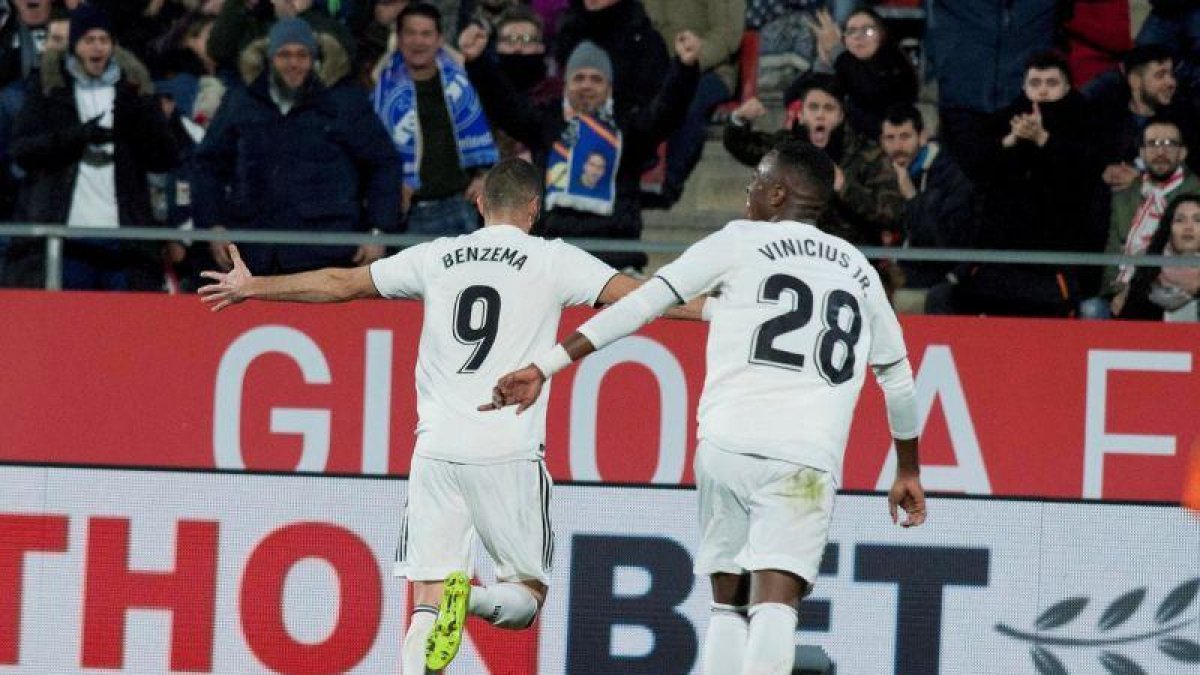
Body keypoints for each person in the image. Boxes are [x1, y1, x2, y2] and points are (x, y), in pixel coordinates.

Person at [197, 158, 661, 675]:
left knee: (426, 601)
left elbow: (342, 282)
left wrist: (255, 286)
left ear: (479, 204)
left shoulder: (438, 256)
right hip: (507, 447)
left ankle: (440, 621)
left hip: (436, 448)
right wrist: (713, 309)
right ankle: (476, 599)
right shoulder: (553, 259)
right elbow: (644, 298)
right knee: (526, 597)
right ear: (534, 208)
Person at [485, 138, 927, 675]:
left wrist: (548, 365)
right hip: (806, 459)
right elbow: (898, 380)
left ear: (779, 193)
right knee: (776, 605)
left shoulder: (739, 241)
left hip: (726, 447)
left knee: (727, 605)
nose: (749, 190)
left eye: (757, 180)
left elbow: (642, 304)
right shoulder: (858, 269)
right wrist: (907, 468)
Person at [461, 24, 700, 272]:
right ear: (566, 84)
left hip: (616, 258)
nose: (587, 85)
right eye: (579, 78)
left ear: (609, 87)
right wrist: (478, 62)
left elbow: (665, 115)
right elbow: (506, 106)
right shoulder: (547, 122)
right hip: (553, 257)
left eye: (596, 79)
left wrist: (685, 69)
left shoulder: (627, 127)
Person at [192, 17, 400, 275]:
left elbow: (383, 163)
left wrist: (379, 230)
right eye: (284, 54)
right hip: (255, 255)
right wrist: (213, 226)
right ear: (270, 58)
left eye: (302, 55)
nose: (293, 63)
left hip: (327, 255)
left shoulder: (344, 101)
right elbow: (207, 165)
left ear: (314, 58)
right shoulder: (241, 101)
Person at [3, 4, 178, 290]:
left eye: (103, 40)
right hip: (66, 237)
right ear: (75, 45)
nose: (97, 47)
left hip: (124, 241)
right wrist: (78, 137)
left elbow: (165, 157)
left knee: (124, 317)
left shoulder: (134, 90)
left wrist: (137, 119)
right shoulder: (49, 91)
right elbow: (22, 151)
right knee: (68, 317)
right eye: (89, 40)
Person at [373, 2, 498, 236]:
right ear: (399, 39)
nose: (418, 41)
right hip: (407, 211)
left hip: (461, 207)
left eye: (426, 34)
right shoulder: (379, 86)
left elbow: (490, 132)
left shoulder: (463, 81)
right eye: (410, 33)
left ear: (439, 39)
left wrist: (484, 176)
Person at [1088, 117, 1199, 318]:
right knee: (1092, 309)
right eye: (1153, 144)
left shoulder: (1194, 193)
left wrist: (1135, 289)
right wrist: (1114, 291)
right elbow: (1114, 247)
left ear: (1182, 153)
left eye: (1169, 144)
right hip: (1124, 289)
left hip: (1176, 290)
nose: (1161, 152)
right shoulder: (1125, 192)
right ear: (1141, 153)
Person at [876, 104, 978, 303]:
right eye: (890, 138)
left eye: (905, 137)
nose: (897, 147)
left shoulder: (949, 177)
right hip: (882, 272)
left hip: (930, 277)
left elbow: (941, 246)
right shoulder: (876, 171)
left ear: (922, 137)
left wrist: (912, 198)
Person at [1114, 192, 1200, 321]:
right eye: (1179, 220)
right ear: (1168, 227)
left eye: (1197, 220)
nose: (1188, 227)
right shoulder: (1147, 265)